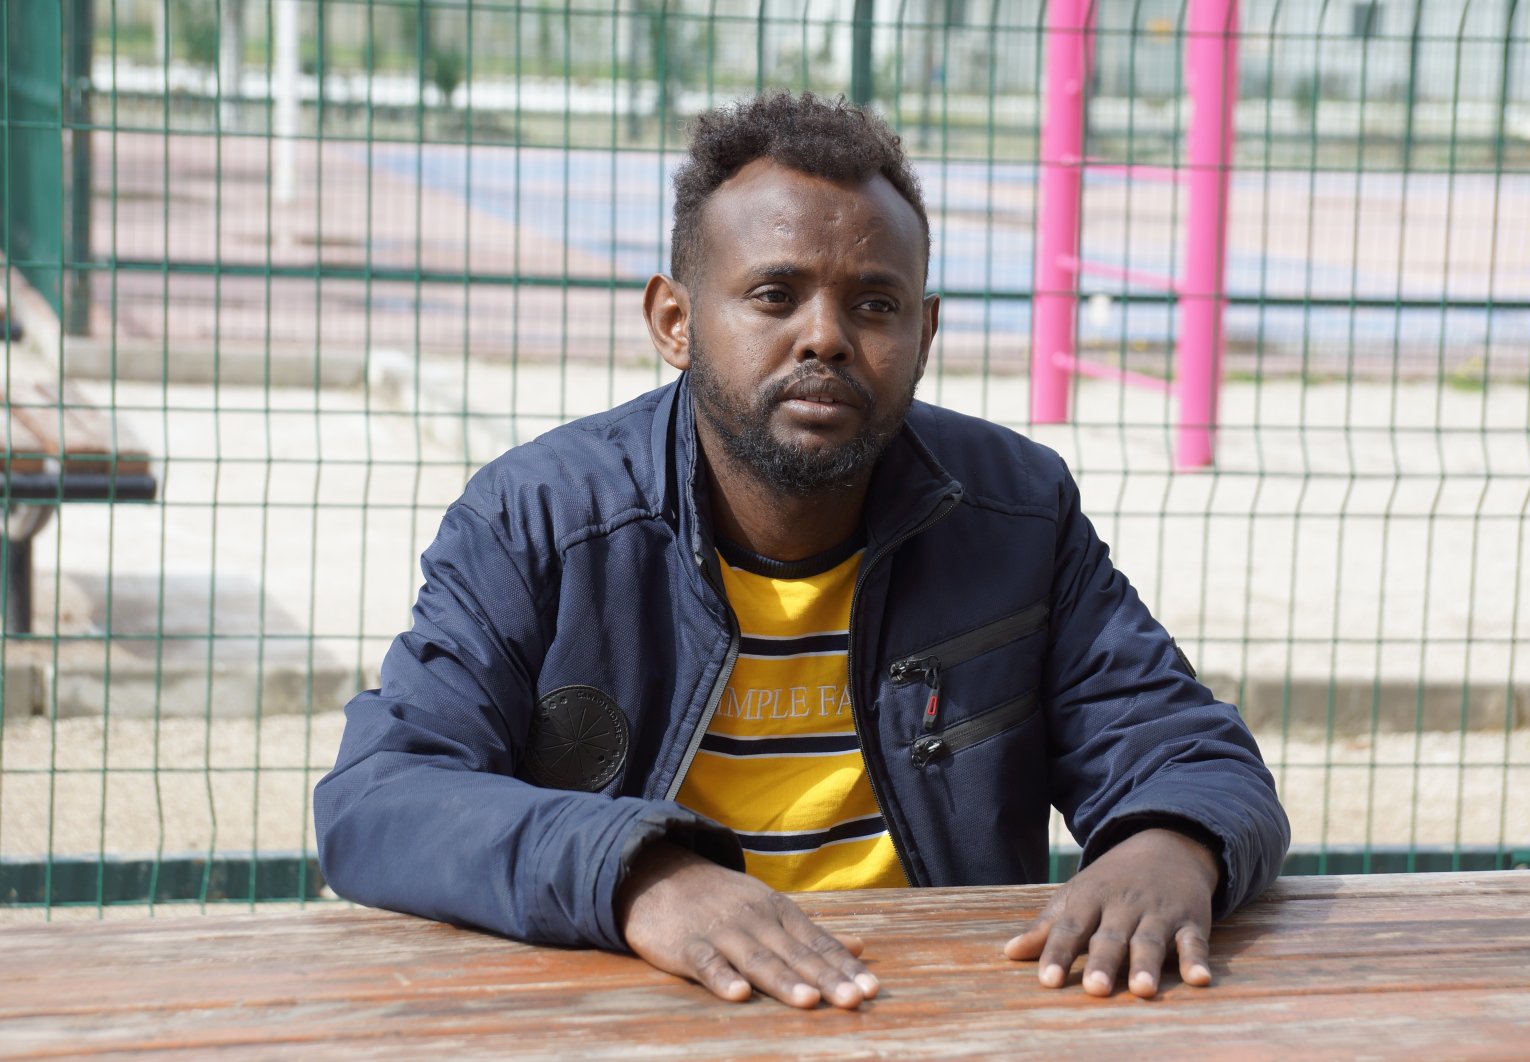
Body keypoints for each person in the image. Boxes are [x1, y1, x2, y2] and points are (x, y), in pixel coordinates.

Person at [314, 91, 1289, 1011]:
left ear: (923, 330)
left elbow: (1182, 746)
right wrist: (638, 878)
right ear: (675, 321)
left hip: (934, 1007)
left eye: (874, 304)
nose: (824, 336)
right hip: (638, 1005)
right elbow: (381, 796)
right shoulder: (539, 522)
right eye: (774, 295)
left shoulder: (1016, 513)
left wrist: (1171, 841)